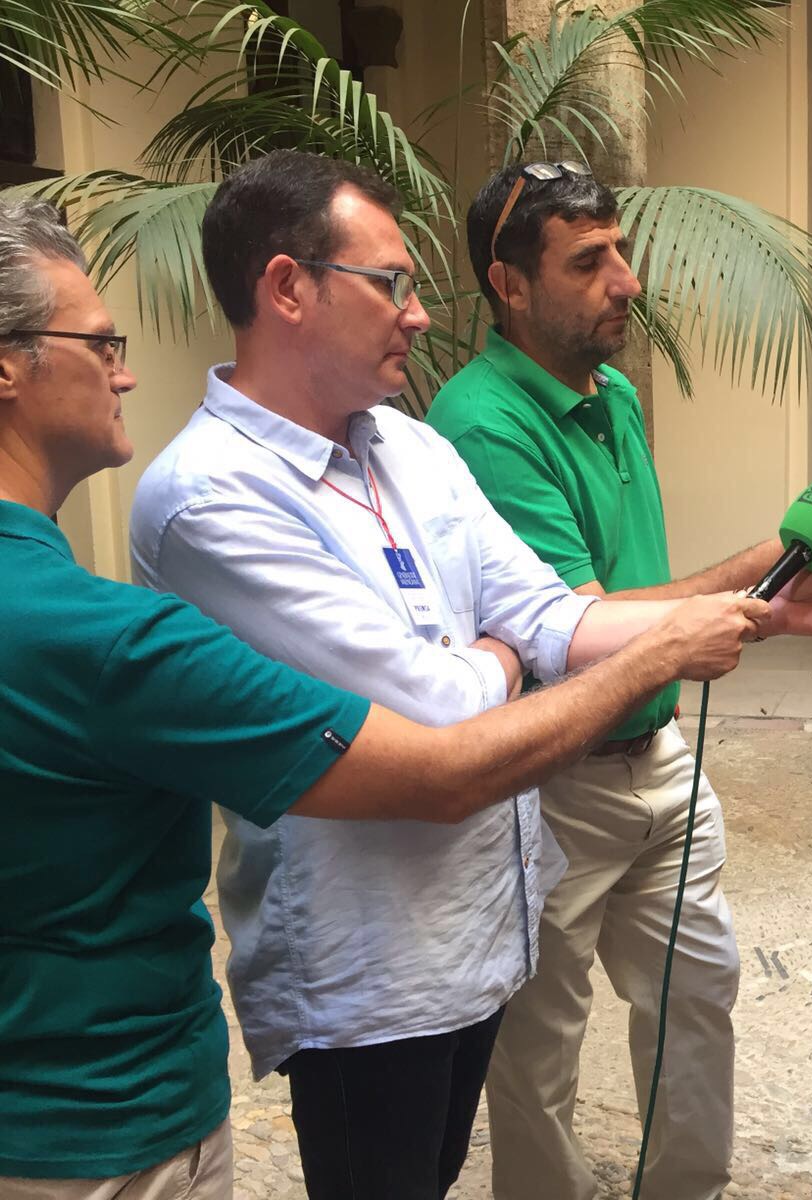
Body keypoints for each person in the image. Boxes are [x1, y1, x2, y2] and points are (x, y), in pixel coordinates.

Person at [0, 202, 758, 1196]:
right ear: (289, 288)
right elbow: (440, 722)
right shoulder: (204, 499)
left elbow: (545, 612)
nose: (420, 315)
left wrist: (751, 609)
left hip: (483, 934)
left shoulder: (411, 448)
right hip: (365, 978)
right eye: (392, 284)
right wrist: (544, 654)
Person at [424, 164, 812, 1200]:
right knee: (539, 1048)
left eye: (621, 251)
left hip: (658, 758)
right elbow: (584, 631)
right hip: (552, 779)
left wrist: (773, 601)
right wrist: (773, 563)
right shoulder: (482, 423)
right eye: (589, 262)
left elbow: (643, 600)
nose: (627, 281)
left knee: (698, 998)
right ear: (510, 286)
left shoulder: (616, 391)